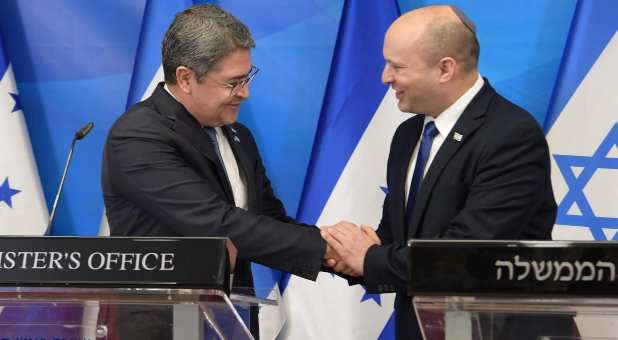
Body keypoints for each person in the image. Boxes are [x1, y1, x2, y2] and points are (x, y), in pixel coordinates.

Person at [321, 5, 572, 340]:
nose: (385, 77)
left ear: (445, 69)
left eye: (396, 66)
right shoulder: (408, 134)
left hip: (496, 330)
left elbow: (467, 252)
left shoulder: (511, 135)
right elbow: (395, 238)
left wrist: (369, 258)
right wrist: (342, 251)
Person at [101, 4, 333, 338]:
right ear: (185, 78)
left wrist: (354, 258)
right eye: (234, 82)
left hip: (230, 321)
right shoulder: (139, 135)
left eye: (248, 78)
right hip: (163, 325)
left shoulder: (238, 135)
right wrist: (328, 247)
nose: (245, 92)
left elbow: (267, 220)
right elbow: (216, 224)